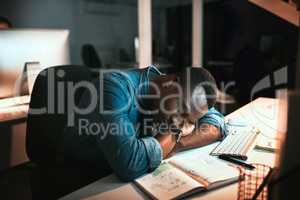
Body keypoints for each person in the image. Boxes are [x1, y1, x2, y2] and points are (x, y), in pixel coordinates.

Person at [64, 65, 227, 181]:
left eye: (188, 120)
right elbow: (129, 163)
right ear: (172, 82)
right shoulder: (112, 88)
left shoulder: (182, 94)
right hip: (81, 177)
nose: (181, 122)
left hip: (117, 179)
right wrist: (174, 132)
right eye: (182, 110)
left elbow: (217, 123)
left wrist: (178, 144)